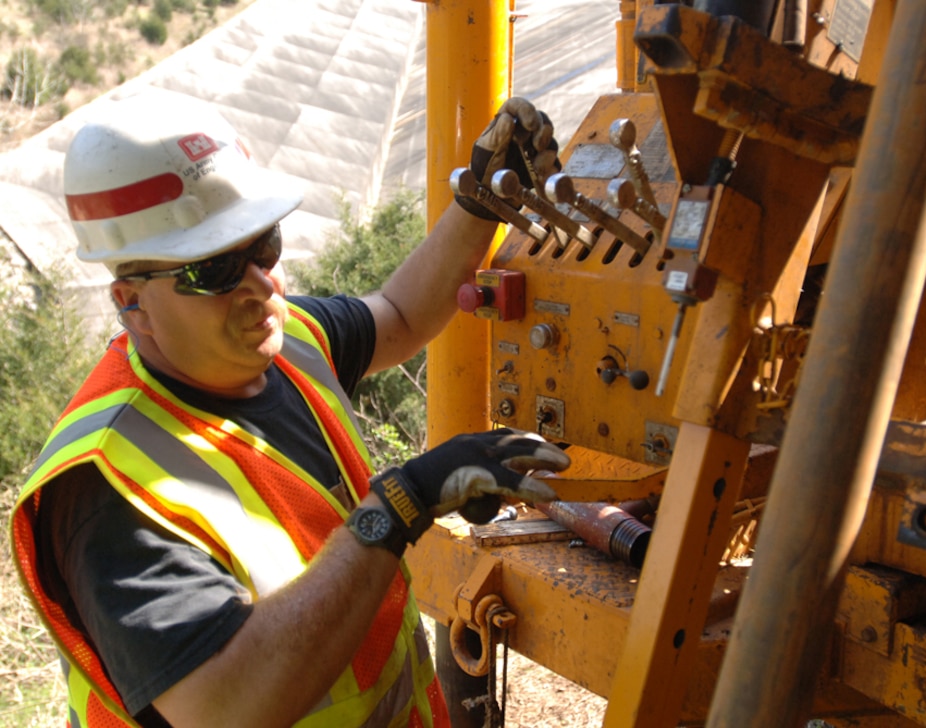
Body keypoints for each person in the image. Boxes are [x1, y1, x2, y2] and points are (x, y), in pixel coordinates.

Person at [9, 89, 570, 728]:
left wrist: (479, 203)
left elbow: (400, 314)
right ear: (131, 302)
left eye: (264, 245)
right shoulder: (108, 487)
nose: (262, 286)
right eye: (214, 270)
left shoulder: (291, 342)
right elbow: (225, 707)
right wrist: (399, 505)